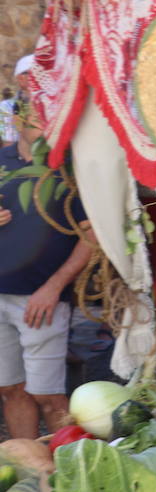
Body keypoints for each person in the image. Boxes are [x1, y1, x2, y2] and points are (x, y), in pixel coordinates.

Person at [0, 101, 92, 438]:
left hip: (41, 299)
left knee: (49, 396)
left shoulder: (65, 169)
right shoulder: (1, 161)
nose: (45, 127)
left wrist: (55, 287)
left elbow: (92, 234)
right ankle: (28, 472)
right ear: (16, 120)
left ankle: (70, 472)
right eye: (37, 119)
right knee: (11, 390)